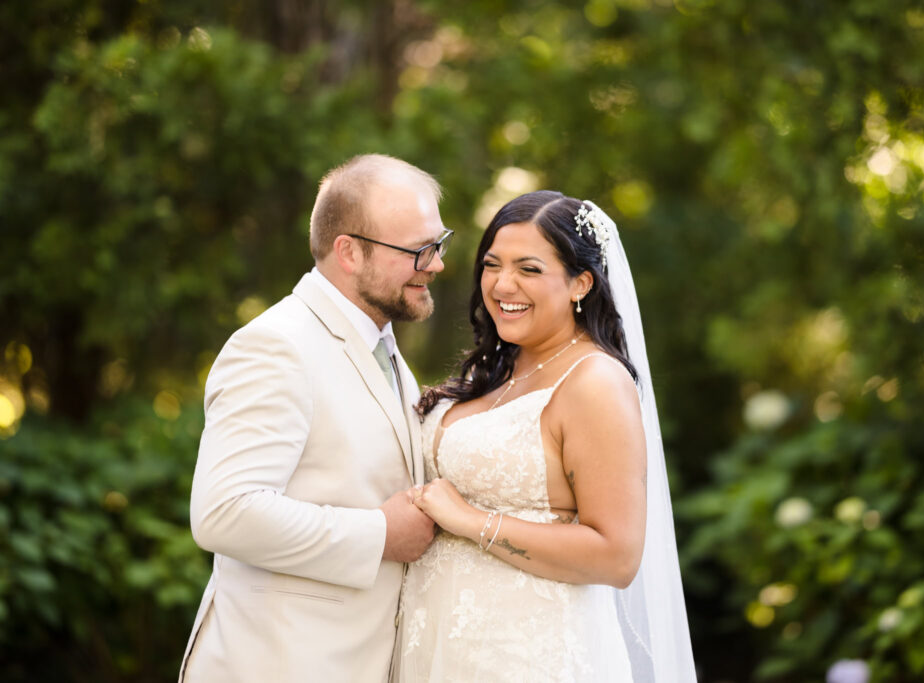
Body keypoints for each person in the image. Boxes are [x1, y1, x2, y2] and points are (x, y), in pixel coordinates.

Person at [394, 191, 697, 682]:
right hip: (439, 652)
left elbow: (616, 556)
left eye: (529, 269)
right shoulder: (499, 370)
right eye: (492, 265)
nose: (502, 284)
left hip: (527, 656)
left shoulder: (593, 381)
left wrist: (473, 521)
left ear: (580, 283)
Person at [179, 154, 449, 682]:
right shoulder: (276, 345)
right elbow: (225, 512)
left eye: (439, 243)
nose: (436, 263)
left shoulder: (382, 344)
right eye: (419, 249)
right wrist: (378, 535)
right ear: (348, 252)